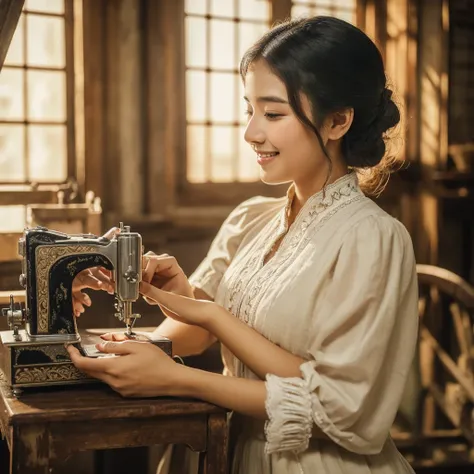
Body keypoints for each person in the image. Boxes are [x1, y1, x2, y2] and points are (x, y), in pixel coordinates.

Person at [67, 16, 418, 474]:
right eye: (248, 110)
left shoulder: (373, 239)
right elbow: (196, 337)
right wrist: (170, 304)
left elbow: (343, 408)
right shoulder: (251, 218)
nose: (251, 132)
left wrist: (184, 378)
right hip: (234, 453)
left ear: (338, 121)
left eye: (273, 114)